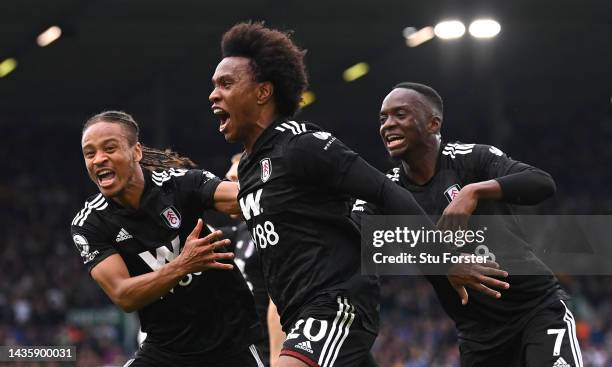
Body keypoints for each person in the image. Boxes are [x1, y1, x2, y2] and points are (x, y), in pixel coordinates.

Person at [208, 22, 508, 367]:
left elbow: (387, 192)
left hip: (336, 307)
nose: (214, 94)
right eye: (214, 85)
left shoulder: (302, 144)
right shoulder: (248, 167)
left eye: (226, 84)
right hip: (300, 318)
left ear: (263, 92)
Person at [353, 82, 583, 366]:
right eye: (383, 118)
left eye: (400, 114)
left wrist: (473, 191)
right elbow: (357, 237)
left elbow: (542, 182)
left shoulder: (473, 159)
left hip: (536, 312)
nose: (388, 125)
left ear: (433, 123)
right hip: (479, 339)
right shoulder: (387, 191)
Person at [71, 111, 264, 367]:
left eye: (110, 148)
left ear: (136, 152)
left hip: (229, 342)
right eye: (90, 153)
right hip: (166, 350)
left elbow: (239, 199)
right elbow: (124, 295)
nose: (99, 159)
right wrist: (183, 265)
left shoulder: (179, 185)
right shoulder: (89, 224)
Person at [223, 152, 285, 367]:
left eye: (234, 181)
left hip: (271, 353)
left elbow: (279, 298)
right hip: (247, 351)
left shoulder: (278, 227)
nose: (226, 188)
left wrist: (277, 359)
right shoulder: (242, 230)